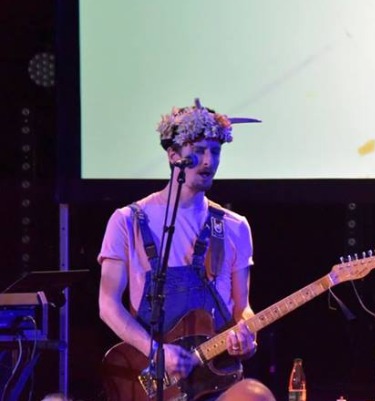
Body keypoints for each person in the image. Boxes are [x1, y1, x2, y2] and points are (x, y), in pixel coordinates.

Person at [97, 99, 274, 401]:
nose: (208, 161)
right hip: (153, 375)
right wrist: (156, 351)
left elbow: (242, 308)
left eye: (215, 152)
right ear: (173, 155)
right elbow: (108, 305)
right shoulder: (127, 221)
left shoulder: (234, 226)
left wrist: (247, 335)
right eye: (199, 151)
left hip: (216, 377)